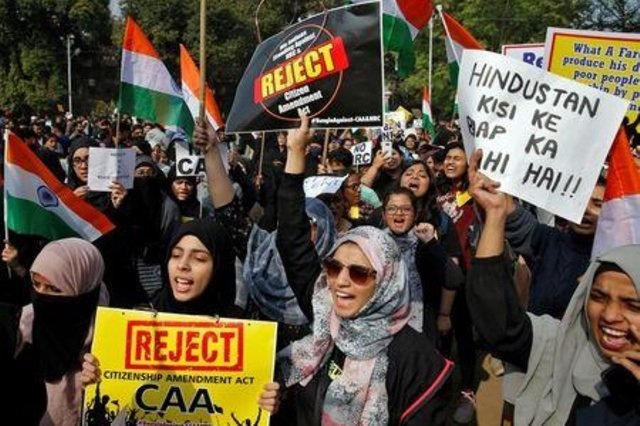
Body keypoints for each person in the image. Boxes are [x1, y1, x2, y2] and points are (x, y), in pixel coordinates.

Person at [275, 117, 453, 425]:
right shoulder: (322, 311)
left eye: (358, 273)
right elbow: (292, 239)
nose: (340, 282)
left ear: (385, 282)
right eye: (332, 268)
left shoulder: (416, 360)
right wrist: (295, 153)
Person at [467, 149, 640, 425]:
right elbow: (499, 323)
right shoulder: (551, 242)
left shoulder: (625, 257)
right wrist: (496, 210)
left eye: (632, 304)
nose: (610, 315)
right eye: (597, 295)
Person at [19, 238, 109, 426]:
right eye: (36, 284)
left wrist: (100, 386)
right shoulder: (20, 329)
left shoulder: (108, 340)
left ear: (84, 290)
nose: (41, 294)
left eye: (54, 288)